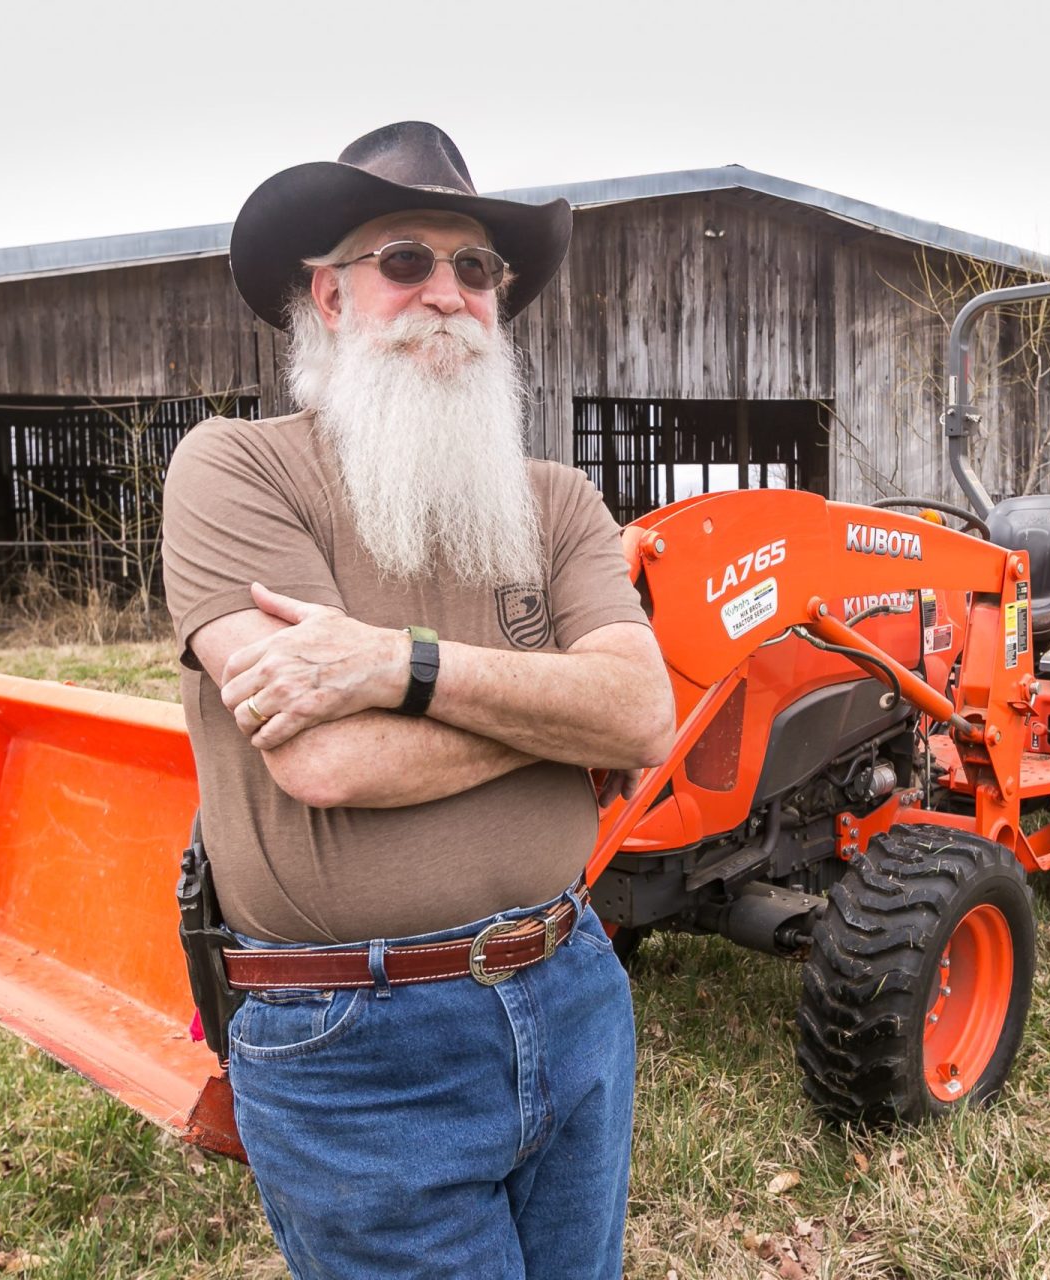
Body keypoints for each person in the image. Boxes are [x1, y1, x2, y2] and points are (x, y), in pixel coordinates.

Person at [161, 121, 676, 1280]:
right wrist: (560, 721)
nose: (447, 292)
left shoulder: (556, 500)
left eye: (477, 269)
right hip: (355, 1039)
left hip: (574, 983)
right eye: (406, 260)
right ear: (330, 297)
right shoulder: (236, 469)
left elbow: (644, 715)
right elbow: (330, 759)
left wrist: (404, 667)